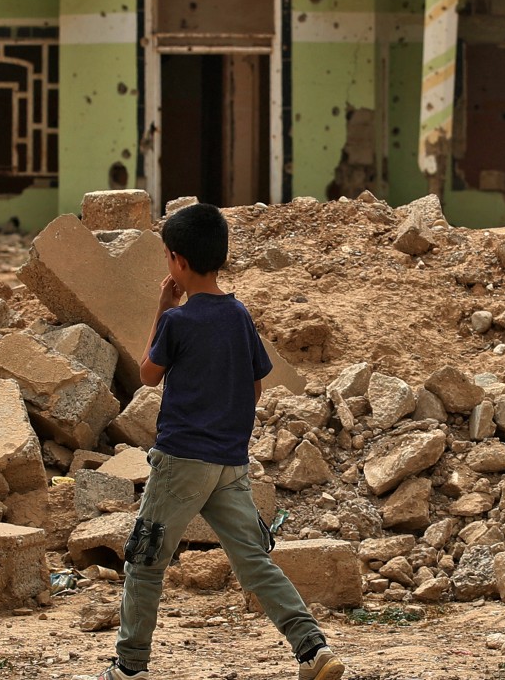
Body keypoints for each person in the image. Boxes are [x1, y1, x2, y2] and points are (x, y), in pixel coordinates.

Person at [100, 203, 345, 680]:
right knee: (255, 561)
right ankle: (313, 649)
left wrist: (161, 308)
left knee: (146, 562)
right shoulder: (238, 315)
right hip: (229, 463)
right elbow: (255, 387)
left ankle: (129, 669)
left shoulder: (177, 321)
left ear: (178, 261)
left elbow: (149, 375)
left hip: (179, 463)